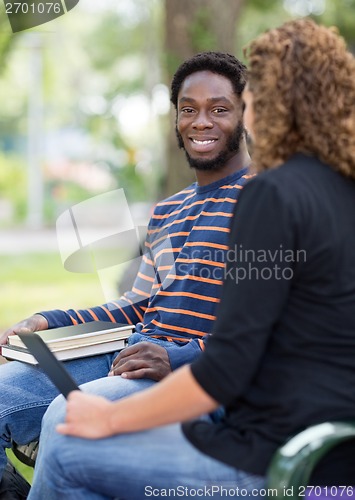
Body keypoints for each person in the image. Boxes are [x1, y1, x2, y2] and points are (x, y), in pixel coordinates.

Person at [27, 18, 355, 499]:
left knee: (68, 448)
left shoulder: (271, 195)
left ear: (276, 104)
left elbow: (227, 365)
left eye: (251, 98)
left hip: (281, 459)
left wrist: (112, 415)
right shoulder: (336, 191)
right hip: (331, 451)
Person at [0, 51, 251, 497]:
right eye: (188, 109)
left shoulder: (265, 199)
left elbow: (270, 329)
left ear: (244, 113)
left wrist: (176, 358)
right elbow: (139, 303)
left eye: (219, 108)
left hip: (194, 374)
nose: (201, 122)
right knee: (4, 390)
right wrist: (47, 321)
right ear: (176, 120)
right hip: (129, 350)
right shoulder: (169, 210)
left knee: (68, 416)